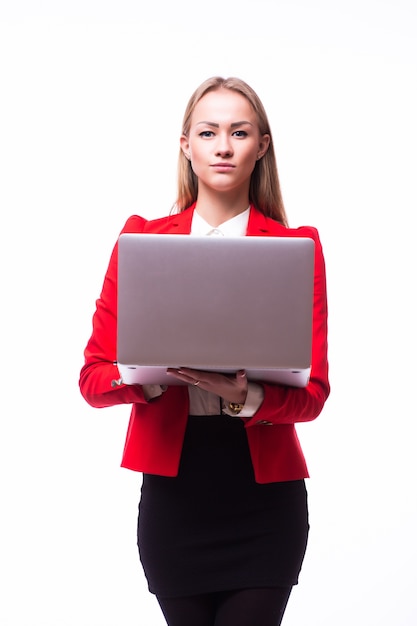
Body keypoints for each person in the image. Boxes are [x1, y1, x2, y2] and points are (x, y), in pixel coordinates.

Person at [79, 76, 330, 626]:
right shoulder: (142, 240)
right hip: (175, 497)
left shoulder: (297, 249)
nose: (222, 146)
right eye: (208, 132)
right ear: (185, 145)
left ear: (261, 145)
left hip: (264, 500)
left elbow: (312, 396)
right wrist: (145, 378)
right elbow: (93, 379)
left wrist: (250, 396)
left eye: (239, 132)